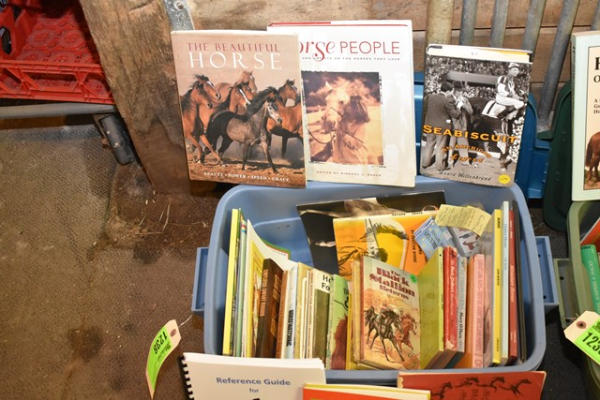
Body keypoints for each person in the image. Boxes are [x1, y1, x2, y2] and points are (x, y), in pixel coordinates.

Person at [421, 81, 461, 171]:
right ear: (448, 91)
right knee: (440, 146)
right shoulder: (446, 101)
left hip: (429, 125)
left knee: (429, 144)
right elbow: (455, 115)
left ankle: (425, 163)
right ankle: (439, 166)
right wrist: (459, 106)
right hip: (442, 127)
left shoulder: (430, 97)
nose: (452, 93)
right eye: (451, 91)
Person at [447, 80, 473, 167]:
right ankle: (450, 162)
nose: (461, 92)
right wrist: (457, 105)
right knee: (451, 144)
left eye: (461, 91)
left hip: (462, 126)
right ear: (454, 90)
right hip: (452, 126)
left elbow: (471, 111)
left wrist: (464, 105)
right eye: (459, 91)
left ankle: (465, 162)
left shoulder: (465, 100)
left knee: (464, 143)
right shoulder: (449, 98)